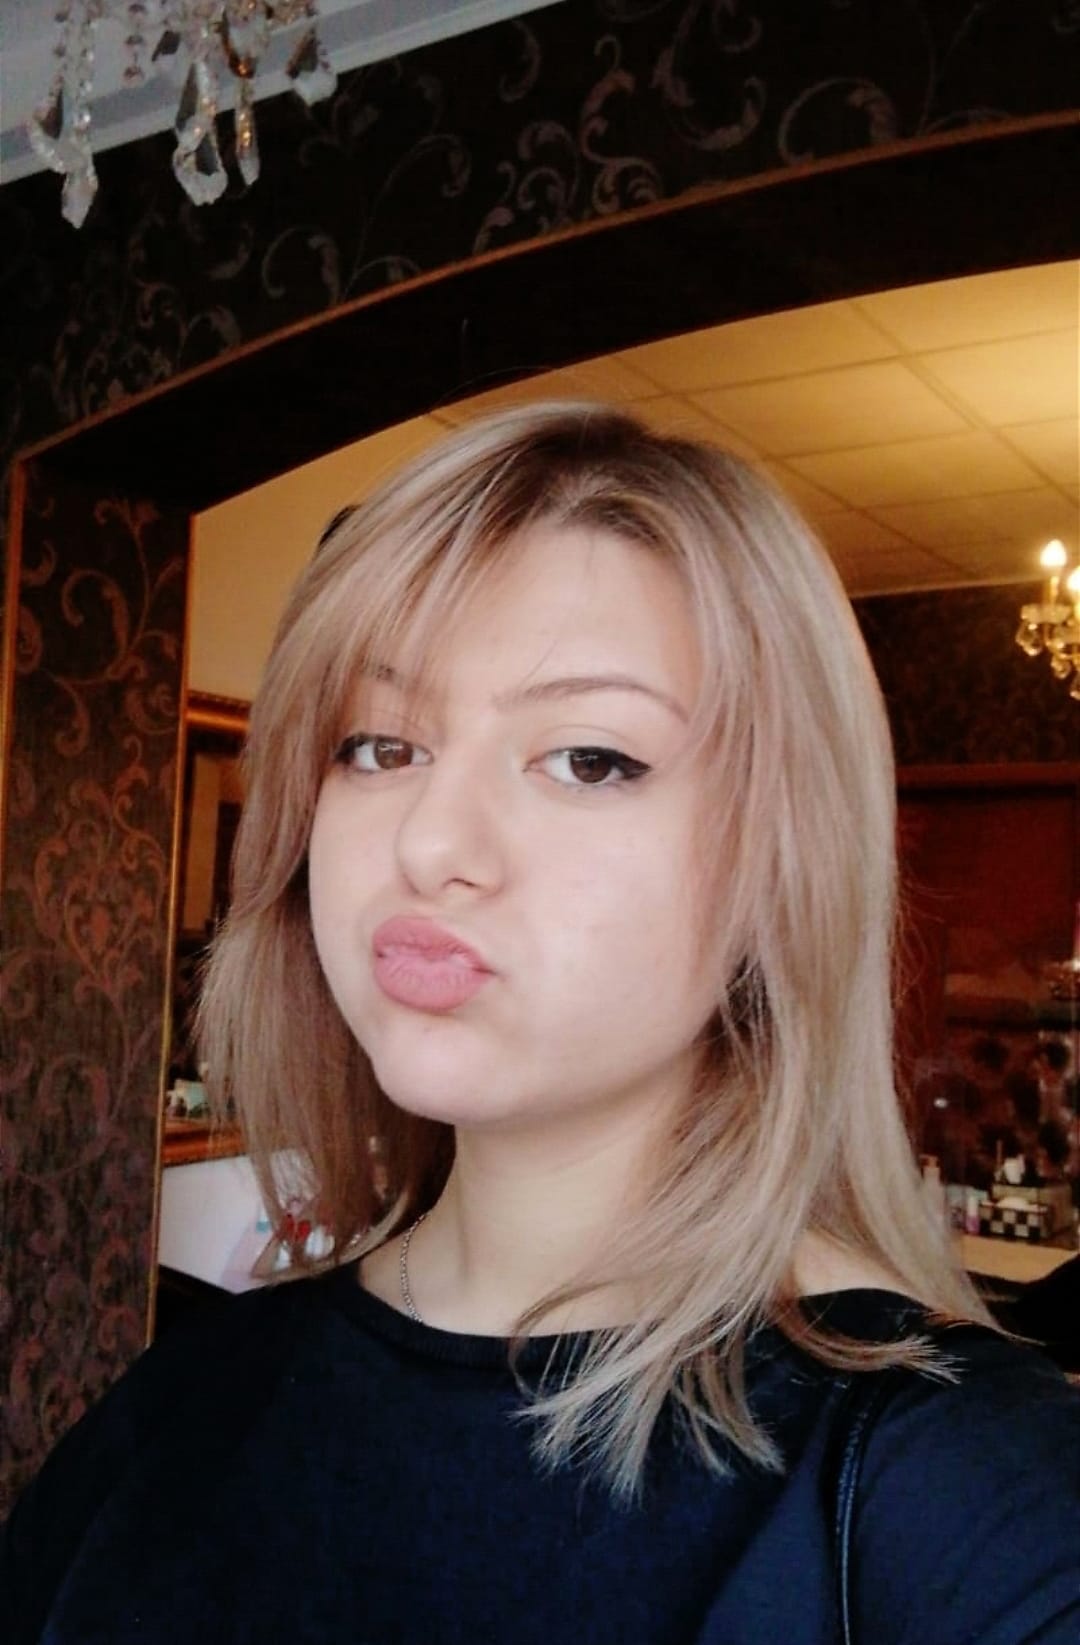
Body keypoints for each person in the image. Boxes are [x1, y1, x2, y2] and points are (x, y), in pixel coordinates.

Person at [2, 403, 1078, 1644]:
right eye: (379, 745)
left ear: (783, 862)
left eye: (588, 759)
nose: (431, 843)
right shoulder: (178, 1406)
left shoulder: (955, 1489)